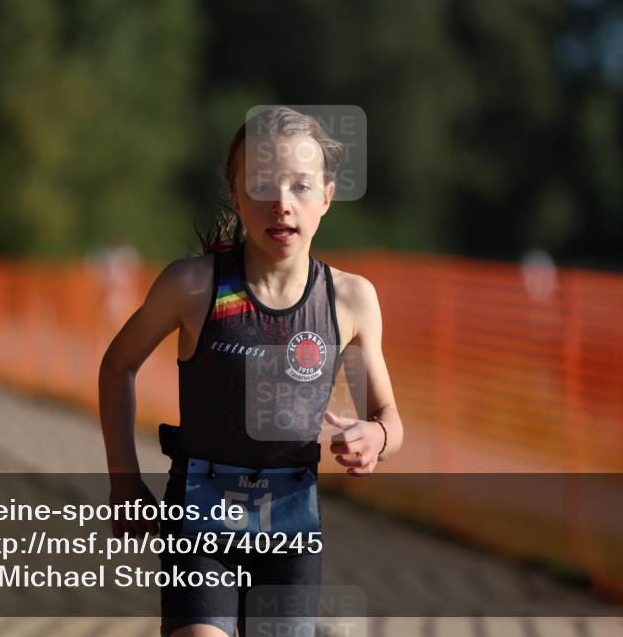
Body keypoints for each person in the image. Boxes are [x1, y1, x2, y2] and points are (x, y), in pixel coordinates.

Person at [98, 106, 403, 637]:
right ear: (236, 195)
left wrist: (376, 436)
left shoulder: (350, 300)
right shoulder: (192, 287)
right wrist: (123, 478)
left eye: (301, 186)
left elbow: (390, 418)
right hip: (200, 514)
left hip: (289, 524)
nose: (281, 203)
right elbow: (118, 364)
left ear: (326, 198)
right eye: (261, 184)